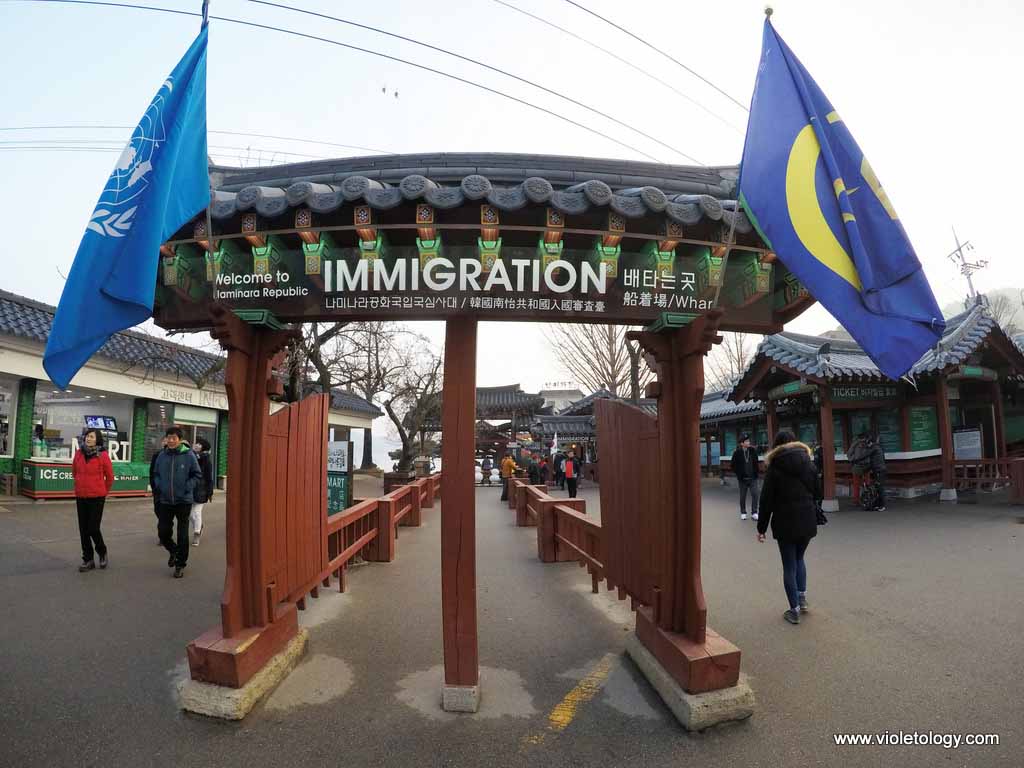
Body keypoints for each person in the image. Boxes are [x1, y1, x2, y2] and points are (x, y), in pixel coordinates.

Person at [756, 430, 821, 625]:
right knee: (800, 558)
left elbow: (766, 501)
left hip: (785, 522)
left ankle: (793, 610)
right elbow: (818, 491)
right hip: (807, 519)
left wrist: (761, 528)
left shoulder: (774, 467)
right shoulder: (809, 464)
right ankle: (802, 599)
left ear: (777, 446)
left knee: (789, 565)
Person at [152, 427, 201, 578]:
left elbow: (197, 475)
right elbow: (156, 474)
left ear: (179, 439)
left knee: (182, 534)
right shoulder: (162, 455)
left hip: (183, 501)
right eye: (169, 438)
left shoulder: (189, 455)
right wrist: (160, 486)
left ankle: (180, 564)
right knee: (163, 532)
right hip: (165, 500)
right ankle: (173, 551)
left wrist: (187, 488)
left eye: (174, 438)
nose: (171, 440)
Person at [72, 428, 114, 572]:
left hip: (97, 497)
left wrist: (103, 491)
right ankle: (88, 559)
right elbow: (74, 471)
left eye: (91, 437)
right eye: (87, 436)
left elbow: (110, 477)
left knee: (93, 528)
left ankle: (102, 552)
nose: (88, 439)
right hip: (81, 496)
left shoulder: (102, 455)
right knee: (83, 530)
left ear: (97, 439)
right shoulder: (79, 453)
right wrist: (79, 484)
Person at [730, 434, 760, 521]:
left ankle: (754, 512)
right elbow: (733, 465)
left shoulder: (753, 451)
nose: (748, 442)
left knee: (755, 494)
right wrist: (739, 474)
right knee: (743, 496)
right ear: (742, 443)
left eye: (748, 441)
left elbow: (756, 462)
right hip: (743, 479)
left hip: (753, 478)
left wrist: (756, 472)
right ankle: (743, 512)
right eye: (746, 441)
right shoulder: (737, 452)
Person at [191, 437, 214, 546]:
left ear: (203, 447)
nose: (196, 445)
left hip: (201, 490)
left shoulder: (206, 460)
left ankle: (196, 534)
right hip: (190, 489)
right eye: (196, 443)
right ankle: (199, 526)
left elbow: (209, 478)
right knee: (189, 515)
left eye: (199, 444)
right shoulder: (190, 457)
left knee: (196, 512)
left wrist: (209, 492)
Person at [149, 436, 167, 544]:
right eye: (164, 440)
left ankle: (163, 537)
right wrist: (154, 486)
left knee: (165, 514)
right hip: (158, 490)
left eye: (167, 440)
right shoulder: (157, 455)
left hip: (169, 490)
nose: (166, 442)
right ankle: (163, 534)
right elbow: (152, 472)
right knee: (158, 511)